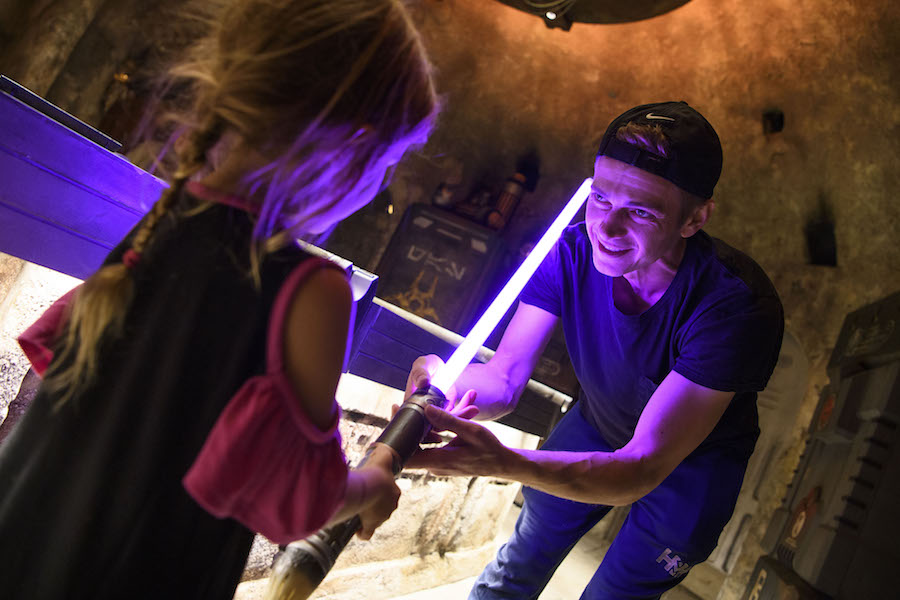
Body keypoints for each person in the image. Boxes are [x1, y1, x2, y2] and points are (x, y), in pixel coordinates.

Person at [0, 1, 438, 598]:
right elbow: (299, 502)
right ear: (353, 147)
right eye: (385, 164)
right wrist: (372, 483)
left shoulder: (164, 219)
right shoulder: (313, 292)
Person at [405, 101, 784, 599]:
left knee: (615, 594)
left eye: (641, 211)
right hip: (598, 422)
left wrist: (504, 461)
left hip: (692, 468)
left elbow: (643, 466)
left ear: (695, 219)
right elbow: (503, 380)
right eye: (600, 198)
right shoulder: (569, 251)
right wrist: (445, 382)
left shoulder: (733, 304)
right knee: (521, 557)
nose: (606, 228)